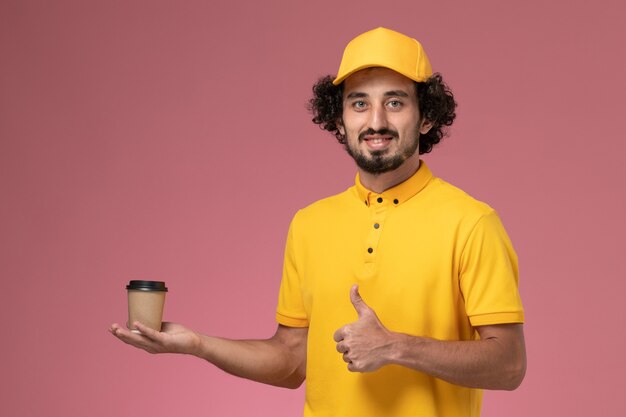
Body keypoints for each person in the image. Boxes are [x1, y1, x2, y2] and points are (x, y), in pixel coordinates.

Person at [110, 27, 526, 417]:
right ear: (340, 119)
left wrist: (396, 347)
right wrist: (198, 344)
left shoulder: (471, 222)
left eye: (395, 102)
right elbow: (291, 360)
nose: (376, 121)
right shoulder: (310, 224)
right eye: (359, 102)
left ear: (427, 117)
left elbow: (509, 365)